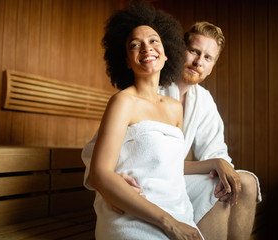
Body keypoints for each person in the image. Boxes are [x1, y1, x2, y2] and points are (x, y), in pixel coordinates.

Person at [83, 19, 262, 239]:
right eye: (194, 51)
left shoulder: (200, 102)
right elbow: (97, 158)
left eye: (207, 57)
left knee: (242, 184)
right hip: (139, 184)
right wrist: (113, 179)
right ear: (178, 51)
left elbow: (204, 155)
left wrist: (219, 162)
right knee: (221, 190)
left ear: (212, 65)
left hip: (172, 180)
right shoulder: (137, 91)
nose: (198, 62)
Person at [87, 1, 203, 239]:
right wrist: (169, 224)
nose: (146, 48)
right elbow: (99, 173)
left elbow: (173, 168)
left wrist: (214, 164)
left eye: (153, 41)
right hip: (133, 212)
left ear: (166, 52)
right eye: (134, 45)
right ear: (127, 61)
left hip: (177, 209)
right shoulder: (123, 102)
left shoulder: (174, 108)